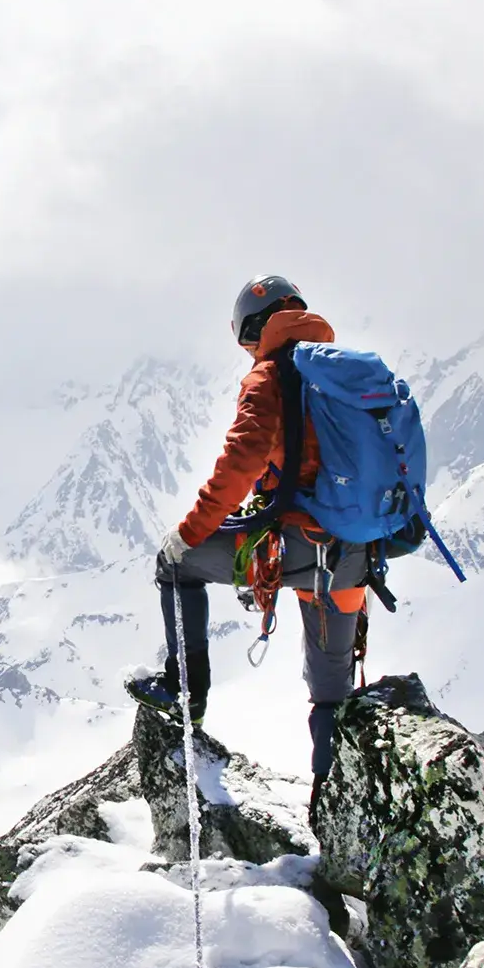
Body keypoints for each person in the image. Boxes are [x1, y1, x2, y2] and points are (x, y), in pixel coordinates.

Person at [126, 275, 367, 797]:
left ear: (256, 331)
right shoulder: (348, 377)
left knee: (176, 564)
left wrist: (189, 533)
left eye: (245, 341)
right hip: (355, 557)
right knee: (332, 695)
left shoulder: (271, 377)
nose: (248, 353)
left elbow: (241, 464)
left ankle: (185, 693)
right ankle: (335, 812)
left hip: (297, 548)